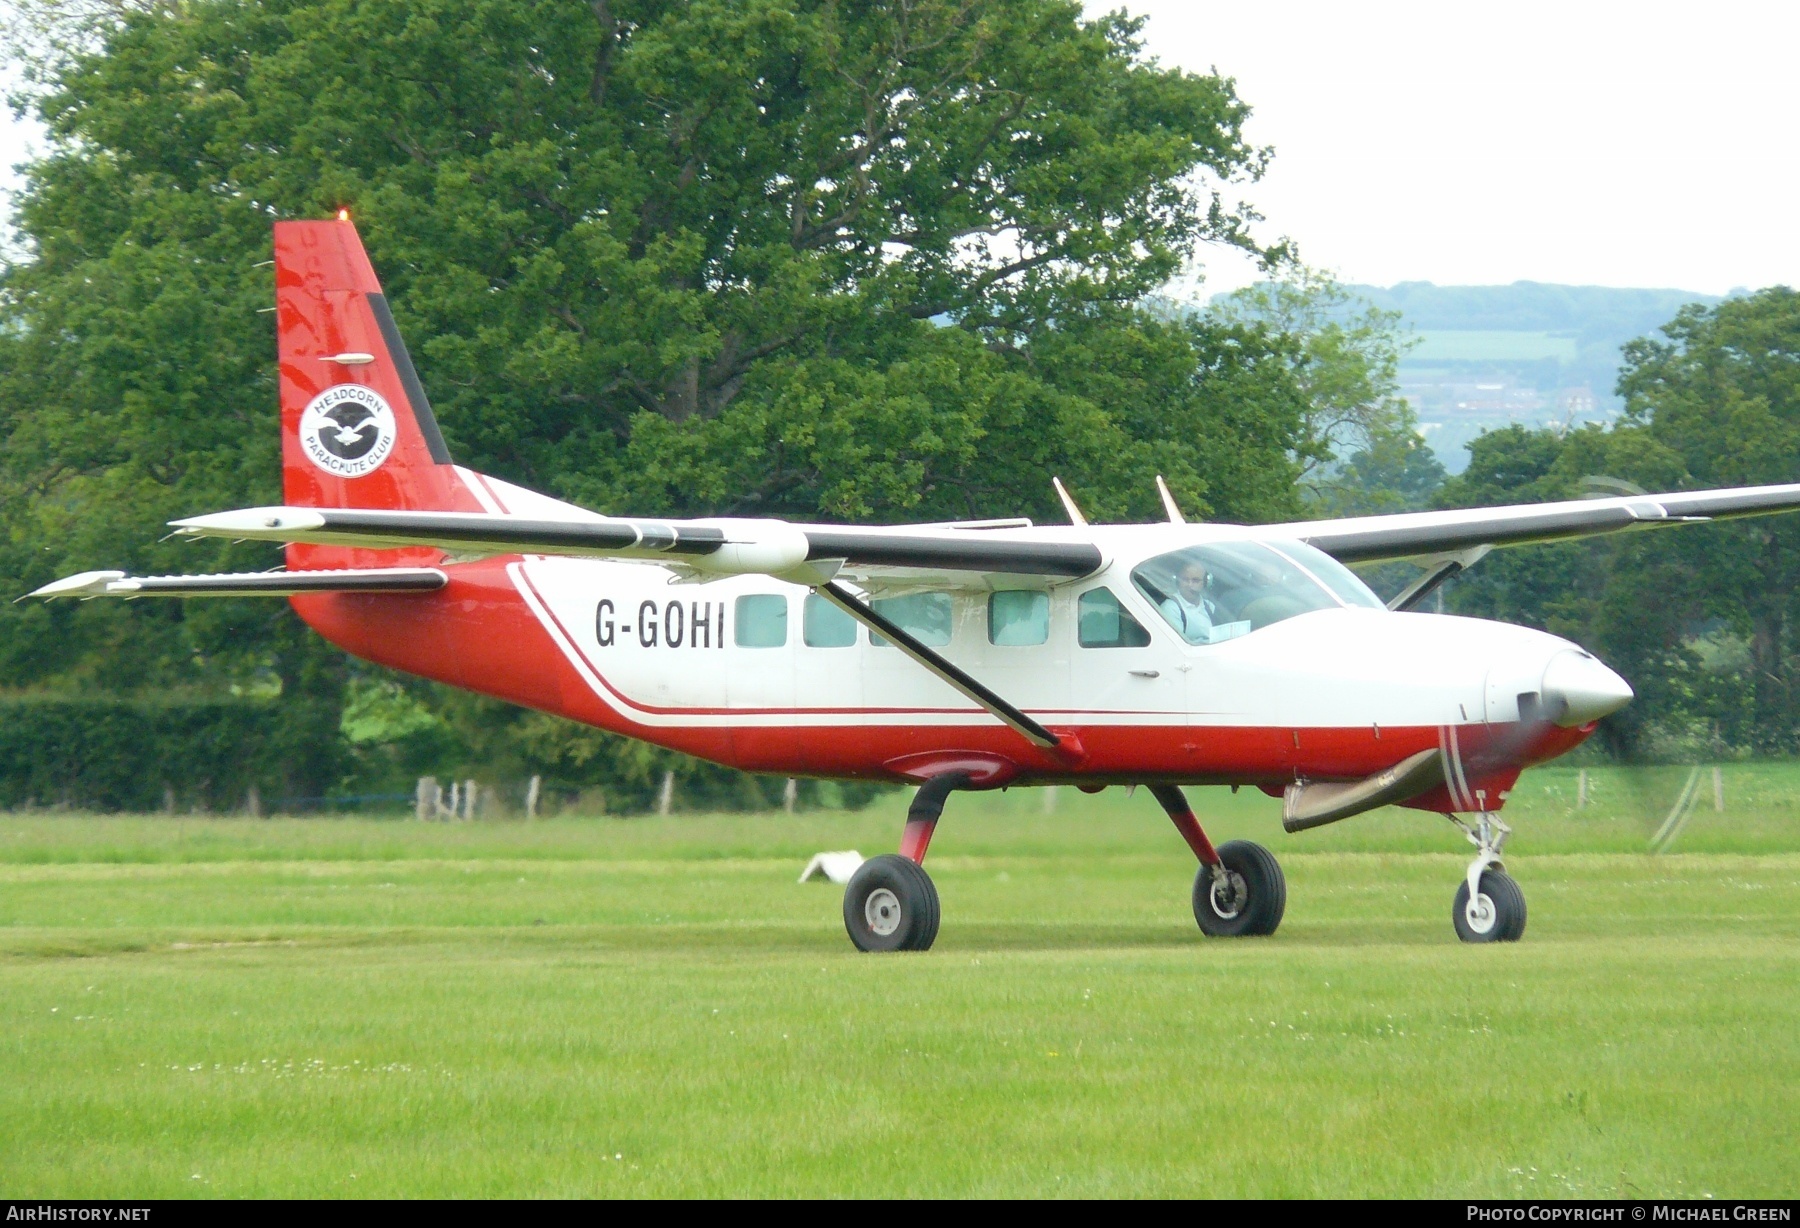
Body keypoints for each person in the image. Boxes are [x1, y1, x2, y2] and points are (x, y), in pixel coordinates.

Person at [1160, 560, 1215, 644]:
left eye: (1195, 581)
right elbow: (1175, 644)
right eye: (1185, 580)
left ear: (1205, 583)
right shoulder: (1171, 607)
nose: (1190, 585)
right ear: (1178, 581)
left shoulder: (1210, 606)